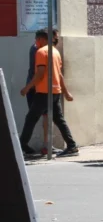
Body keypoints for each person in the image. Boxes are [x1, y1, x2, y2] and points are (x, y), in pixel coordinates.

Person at [19, 29, 78, 157]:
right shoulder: (55, 52)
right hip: (55, 91)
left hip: (44, 92)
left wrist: (27, 88)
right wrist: (65, 92)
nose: (36, 42)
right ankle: (72, 146)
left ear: (41, 39)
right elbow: (60, 74)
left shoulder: (41, 52)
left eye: (36, 40)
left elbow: (40, 74)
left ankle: (21, 146)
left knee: (31, 118)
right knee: (59, 119)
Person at [25, 29, 59, 155]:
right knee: (34, 118)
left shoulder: (44, 50)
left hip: (41, 88)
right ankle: (24, 144)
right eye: (55, 37)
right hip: (37, 89)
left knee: (45, 117)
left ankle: (46, 145)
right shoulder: (39, 50)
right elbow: (39, 72)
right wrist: (29, 87)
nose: (56, 40)